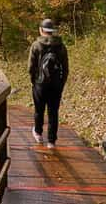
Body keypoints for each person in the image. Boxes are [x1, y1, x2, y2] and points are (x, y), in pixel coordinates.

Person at [28, 18, 69, 149]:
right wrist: (61, 83)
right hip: (56, 85)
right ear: (53, 31)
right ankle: (51, 141)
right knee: (53, 112)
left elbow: (31, 67)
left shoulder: (36, 45)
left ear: (41, 30)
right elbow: (66, 68)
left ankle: (38, 134)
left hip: (40, 84)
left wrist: (34, 81)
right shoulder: (61, 46)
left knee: (39, 110)